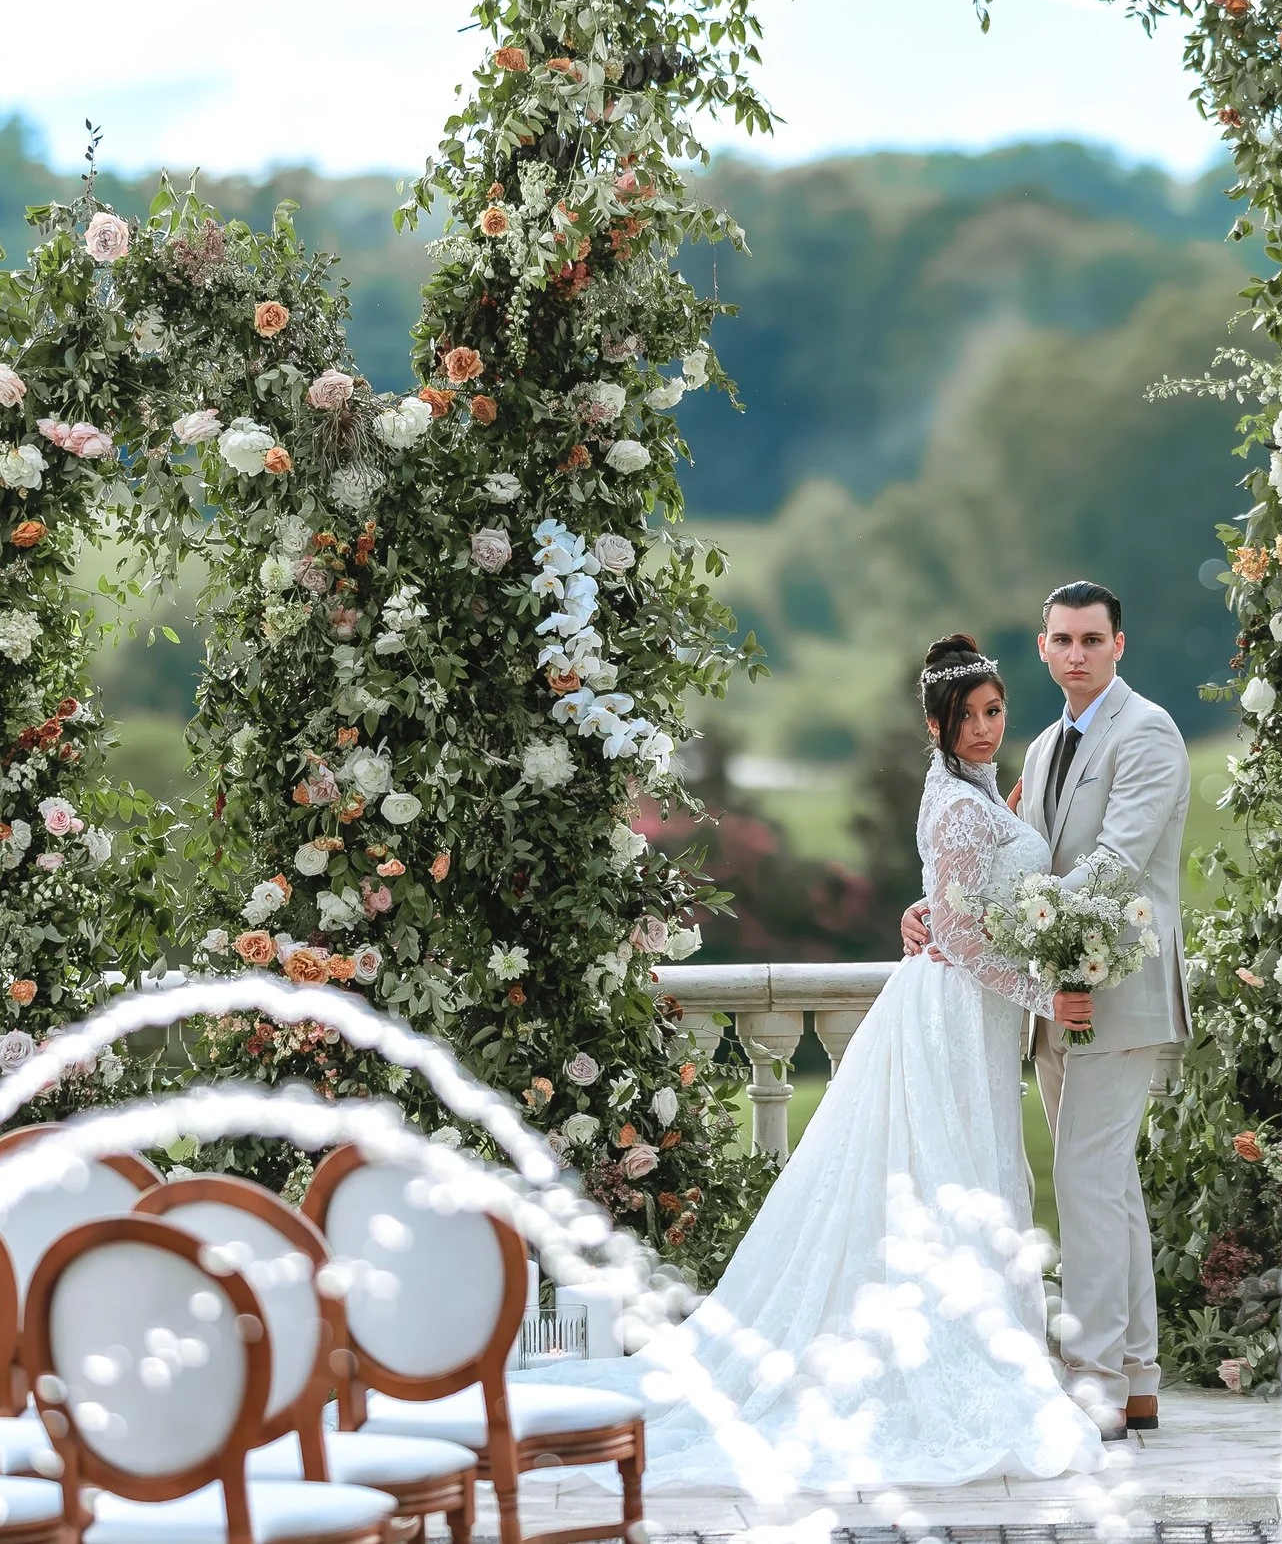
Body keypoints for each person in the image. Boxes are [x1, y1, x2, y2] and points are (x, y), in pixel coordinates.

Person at [505, 634, 1103, 1495]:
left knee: (971, 1171)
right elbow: (967, 934)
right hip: (947, 1012)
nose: (985, 727)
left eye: (994, 710)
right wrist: (1051, 994)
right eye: (968, 715)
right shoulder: (956, 802)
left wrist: (926, 904)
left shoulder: (971, 793)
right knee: (944, 1175)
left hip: (966, 1013)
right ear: (936, 724)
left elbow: (956, 899)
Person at [901, 581, 1191, 1441]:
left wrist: (1035, 938)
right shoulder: (1045, 743)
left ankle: (1095, 1376)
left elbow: (1113, 865)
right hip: (1059, 998)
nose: (1076, 654)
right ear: (1042, 647)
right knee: (1110, 1186)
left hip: (1116, 993)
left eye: (1091, 639)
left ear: (1119, 645)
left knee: (1086, 1181)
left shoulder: (1148, 733)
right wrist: (935, 911)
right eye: (1061, 639)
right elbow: (996, 866)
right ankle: (1135, 1374)